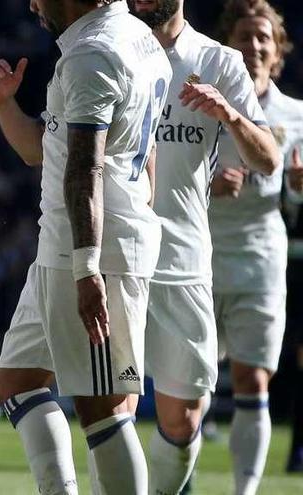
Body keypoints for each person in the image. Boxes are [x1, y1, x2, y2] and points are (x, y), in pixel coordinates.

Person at [0, 0, 172, 492]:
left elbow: (86, 169)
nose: (32, 4)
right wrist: (6, 104)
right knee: (17, 381)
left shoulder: (93, 53)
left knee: (102, 408)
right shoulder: (138, 39)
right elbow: (42, 153)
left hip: (88, 252)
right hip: (63, 248)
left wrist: (90, 269)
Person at [128, 0, 282, 493]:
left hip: (185, 260)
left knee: (184, 419)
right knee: (113, 407)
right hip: (119, 254)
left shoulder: (218, 61)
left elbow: (268, 161)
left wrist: (230, 115)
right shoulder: (110, 49)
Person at [209, 0, 303, 490]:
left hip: (262, 257)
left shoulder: (297, 115)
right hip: (197, 255)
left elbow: (294, 201)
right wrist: (209, 186)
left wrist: (299, 189)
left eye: (263, 36)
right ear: (227, 46)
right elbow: (164, 174)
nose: (254, 45)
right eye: (244, 36)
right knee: (192, 385)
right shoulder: (198, 104)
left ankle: (244, 490)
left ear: (278, 50)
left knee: (254, 380)